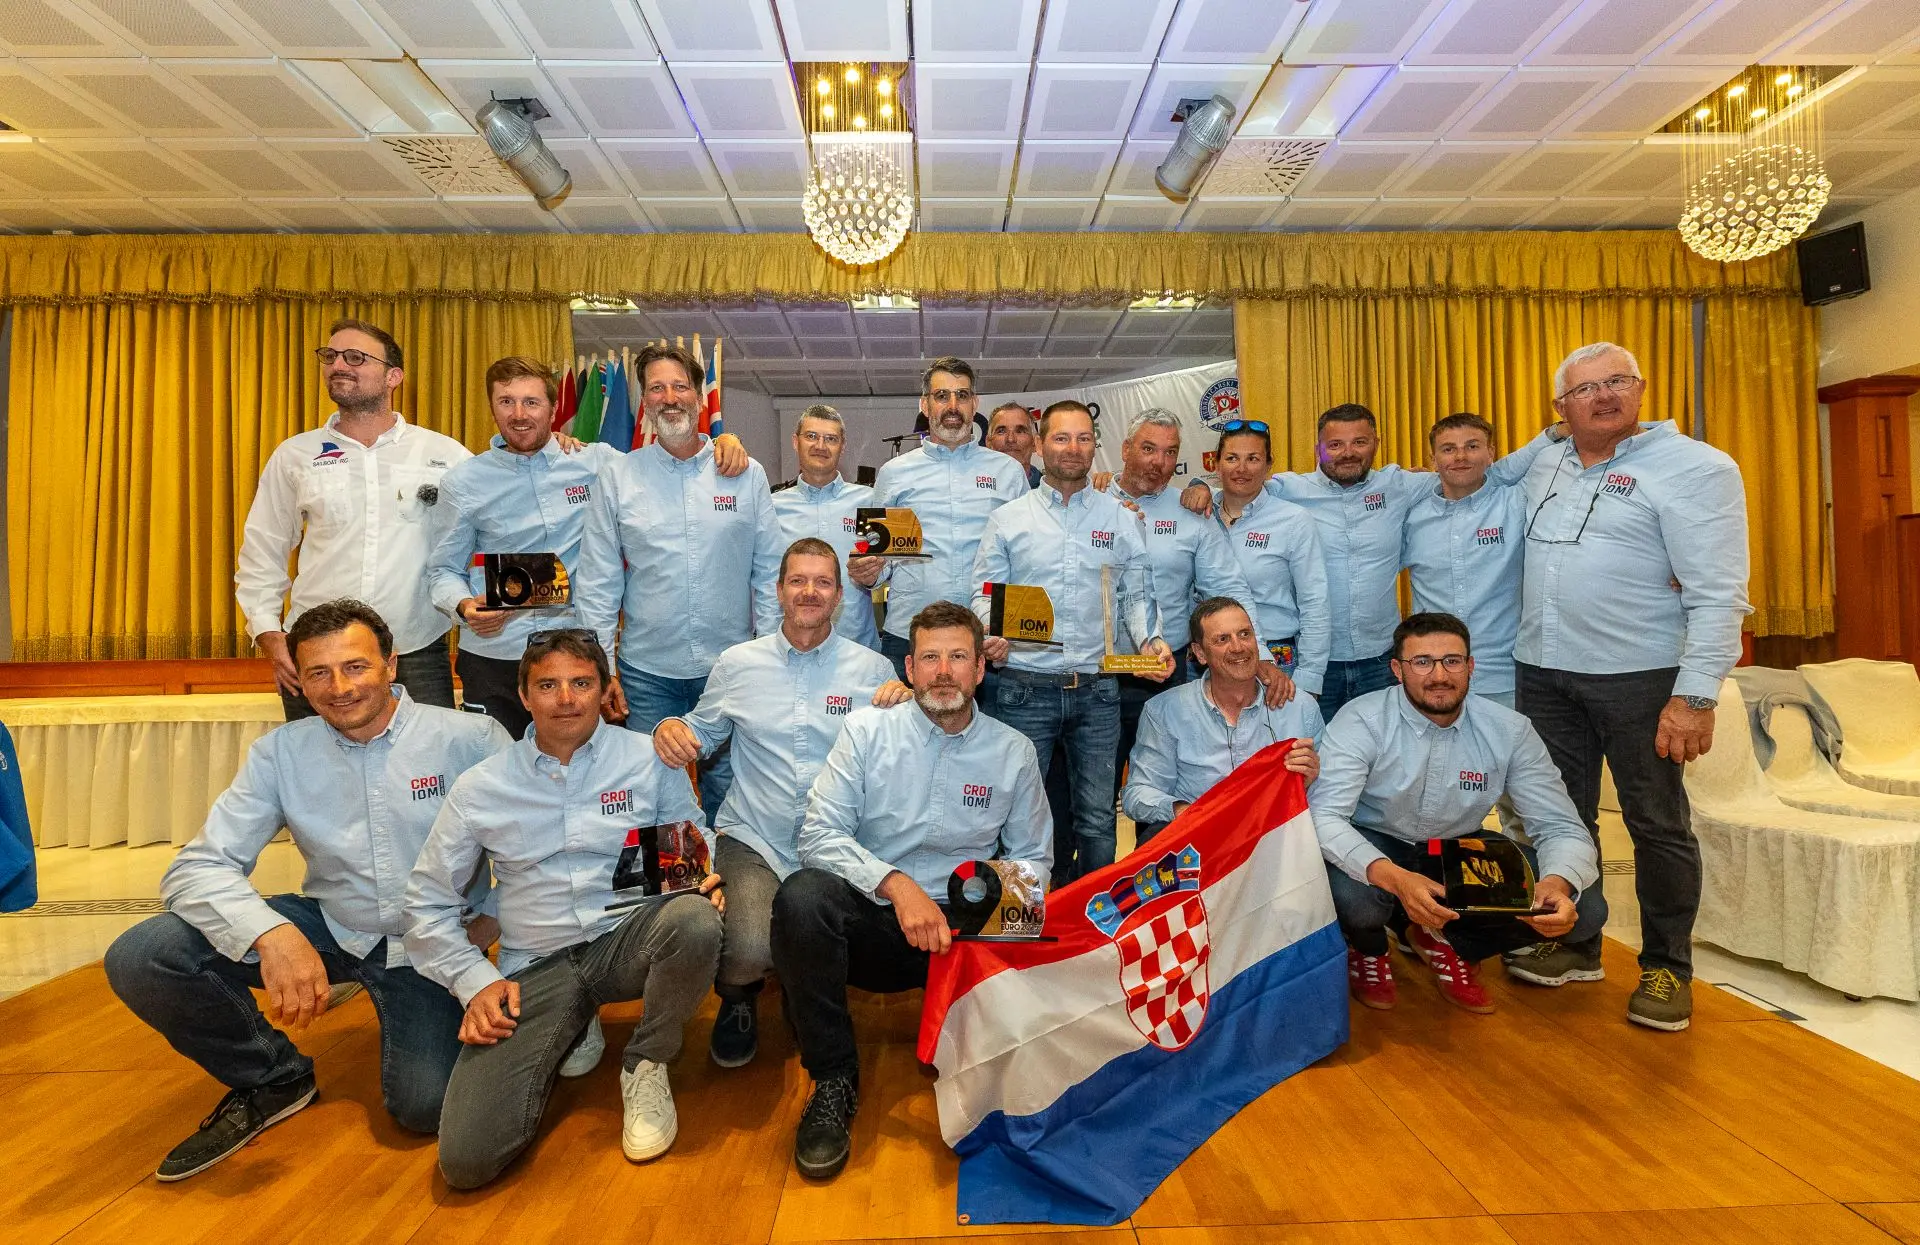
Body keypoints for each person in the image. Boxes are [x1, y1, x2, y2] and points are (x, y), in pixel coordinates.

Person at [103, 599, 510, 1181]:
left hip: (436, 945)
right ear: (300, 678)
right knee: (146, 954)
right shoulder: (281, 753)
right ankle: (272, 1077)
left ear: (391, 664)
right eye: (319, 672)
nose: (339, 688)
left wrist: (488, 921)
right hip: (334, 926)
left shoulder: (470, 740)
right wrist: (272, 935)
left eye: (355, 667)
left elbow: (535, 852)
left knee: (425, 1108)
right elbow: (197, 867)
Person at [407, 630, 725, 1188]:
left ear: (605, 690)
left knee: (694, 921)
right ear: (524, 696)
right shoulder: (481, 786)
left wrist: (699, 878)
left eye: (581, 683)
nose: (566, 699)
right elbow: (427, 903)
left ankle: (646, 1062)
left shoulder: (648, 759)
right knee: (467, 1160)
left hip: (625, 939)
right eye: (548, 685)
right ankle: (576, 1022)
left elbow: (694, 840)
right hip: (534, 964)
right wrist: (474, 982)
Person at [1512, 342, 1750, 1032]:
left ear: (1641, 388)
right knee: (1562, 818)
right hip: (1544, 673)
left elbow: (1719, 592)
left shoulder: (1697, 467)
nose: (1604, 395)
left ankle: (1667, 966)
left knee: (1657, 824)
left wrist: (1696, 695)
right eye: (1586, 389)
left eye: (1617, 381)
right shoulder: (1545, 461)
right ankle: (1577, 942)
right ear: (1561, 408)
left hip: (1641, 679)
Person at [769, 602, 1050, 1181]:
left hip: (959, 930)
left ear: (980, 669)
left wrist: (983, 922)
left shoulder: (1013, 751)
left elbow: (1033, 864)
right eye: (930, 658)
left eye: (958, 657)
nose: (943, 671)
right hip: (876, 917)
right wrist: (896, 886)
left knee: (1031, 916)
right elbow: (816, 834)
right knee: (802, 898)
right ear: (909, 667)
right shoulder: (866, 731)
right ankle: (833, 1077)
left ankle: (995, 1061)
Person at [650, 538, 908, 1069]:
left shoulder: (872, 670)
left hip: (836, 843)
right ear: (778, 590)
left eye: (823, 582)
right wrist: (670, 727)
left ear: (839, 594)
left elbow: (901, 758)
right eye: (798, 581)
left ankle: (805, 985)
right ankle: (738, 997)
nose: (809, 592)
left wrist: (907, 708)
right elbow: (700, 731)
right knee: (748, 947)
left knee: (825, 934)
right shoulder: (737, 664)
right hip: (756, 839)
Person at [430, 357, 749, 738]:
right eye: (506, 402)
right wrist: (464, 606)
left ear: (553, 409)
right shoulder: (463, 481)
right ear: (492, 407)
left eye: (532, 402)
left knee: (582, 766)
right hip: (495, 655)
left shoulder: (599, 463)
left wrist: (723, 441)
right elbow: (442, 570)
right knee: (496, 766)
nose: (519, 414)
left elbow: (672, 462)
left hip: (574, 654)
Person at [1311, 613, 1605, 1014]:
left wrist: (1556, 883)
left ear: (1470, 666)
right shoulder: (1361, 719)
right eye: (1422, 662)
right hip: (1378, 844)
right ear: (1397, 669)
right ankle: (1368, 947)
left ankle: (1446, 940)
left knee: (1586, 911)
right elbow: (1324, 817)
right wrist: (1396, 879)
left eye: (1451, 661)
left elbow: (1561, 826)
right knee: (1359, 903)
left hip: (1453, 849)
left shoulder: (1509, 730)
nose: (1439, 676)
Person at [1182, 405, 1548, 722]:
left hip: (1382, 661)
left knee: (1384, 761)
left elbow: (1480, 474)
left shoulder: (1401, 485)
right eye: (1335, 445)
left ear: (1376, 443)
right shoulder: (1290, 491)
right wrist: (1200, 486)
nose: (1347, 453)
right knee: (1314, 757)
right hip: (1316, 661)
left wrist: (1552, 434)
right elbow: (1239, 485)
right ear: (1317, 449)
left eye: (1359, 442)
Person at [574, 341, 784, 824]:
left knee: (731, 794)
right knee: (650, 798)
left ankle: (730, 873)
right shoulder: (618, 477)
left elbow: (768, 572)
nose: (669, 398)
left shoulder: (743, 473)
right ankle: (664, 879)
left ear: (699, 395)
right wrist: (602, 667)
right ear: (644, 401)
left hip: (730, 670)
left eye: (680, 386)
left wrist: (770, 658)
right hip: (647, 674)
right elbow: (599, 583)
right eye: (656, 388)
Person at [971, 399, 1173, 882]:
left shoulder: (1119, 518)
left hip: (1098, 691)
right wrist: (991, 632)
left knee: (1098, 819)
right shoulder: (1008, 518)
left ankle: (1096, 919)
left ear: (1094, 447)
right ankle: (1021, 921)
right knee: (1016, 817)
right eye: (1061, 438)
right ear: (1041, 445)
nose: (1073, 448)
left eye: (1084, 438)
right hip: (1023, 688)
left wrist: (1151, 642)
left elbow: (1137, 595)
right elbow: (983, 595)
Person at [236, 319, 468, 719]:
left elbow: (491, 525)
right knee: (316, 761)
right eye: (330, 356)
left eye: (356, 357)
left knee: (427, 760)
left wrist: (559, 447)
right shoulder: (295, 455)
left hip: (415, 651)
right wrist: (268, 633)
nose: (338, 365)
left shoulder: (446, 455)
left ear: (393, 376)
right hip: (317, 654)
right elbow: (263, 550)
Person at [1107, 409, 1298, 781]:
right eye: (1148, 448)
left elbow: (1229, 588)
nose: (1159, 462)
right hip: (1099, 674)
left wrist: (1259, 652)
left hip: (1168, 672)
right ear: (1126, 449)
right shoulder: (1093, 502)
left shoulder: (1190, 510)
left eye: (1170, 452)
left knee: (1174, 784)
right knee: (1095, 793)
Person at [857, 358, 1030, 680]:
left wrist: (1012, 626)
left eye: (962, 395)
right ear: (925, 405)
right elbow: (879, 562)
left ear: (974, 404)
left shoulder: (1008, 472)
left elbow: (1024, 560)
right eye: (941, 396)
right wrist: (868, 572)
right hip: (908, 634)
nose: (953, 406)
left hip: (987, 638)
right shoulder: (893, 473)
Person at [1123, 597, 1323, 841]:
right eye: (1223, 639)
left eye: (1245, 634)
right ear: (1200, 653)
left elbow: (1328, 799)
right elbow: (1138, 793)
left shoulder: (1299, 708)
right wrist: (1184, 811)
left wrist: (1309, 782)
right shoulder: (1165, 711)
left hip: (1276, 839)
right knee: (1155, 838)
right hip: (1201, 840)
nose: (1238, 647)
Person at [1402, 413, 1535, 710]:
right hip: (1429, 677)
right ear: (1433, 460)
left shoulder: (1518, 502)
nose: (1460, 456)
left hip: (1503, 676)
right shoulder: (1409, 516)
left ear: (1491, 454)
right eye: (1448, 449)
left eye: (1472, 446)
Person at [1207, 420, 1332, 697]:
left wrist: (1310, 678)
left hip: (1277, 661)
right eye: (1232, 458)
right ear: (1216, 465)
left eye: (1253, 459)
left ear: (1268, 465)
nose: (1241, 468)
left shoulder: (1293, 520)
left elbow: (1315, 602)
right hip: (1208, 660)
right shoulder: (1199, 515)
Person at [771, 405, 882, 651]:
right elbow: (764, 577)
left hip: (857, 646)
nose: (820, 446)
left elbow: (888, 570)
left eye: (830, 439)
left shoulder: (869, 502)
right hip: (791, 647)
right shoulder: (772, 507)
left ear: (842, 446)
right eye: (811, 436)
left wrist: (873, 577)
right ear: (795, 442)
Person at [986, 400, 1043, 489]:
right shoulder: (970, 490)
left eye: (1020, 431)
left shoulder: (1053, 492)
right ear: (988, 443)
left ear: (1034, 443)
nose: (1010, 439)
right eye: (1001, 431)